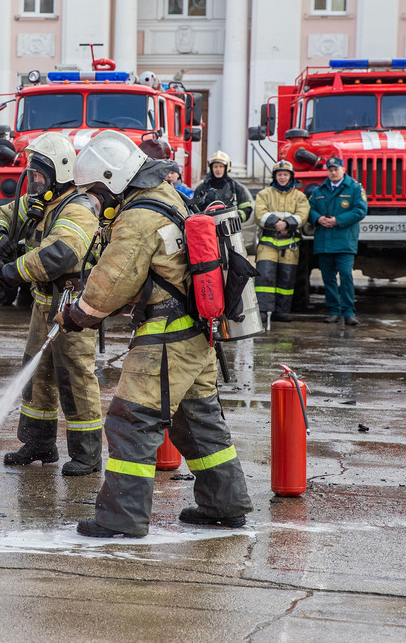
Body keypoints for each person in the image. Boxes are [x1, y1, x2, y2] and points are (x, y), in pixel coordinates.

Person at [59, 130, 253, 537]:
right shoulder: (169, 196)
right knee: (197, 419)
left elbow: (113, 282)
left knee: (131, 421)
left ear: (112, 178)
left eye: (98, 189)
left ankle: (121, 519)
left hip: (166, 338)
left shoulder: (138, 217)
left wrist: (78, 316)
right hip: (198, 335)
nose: (100, 199)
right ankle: (225, 503)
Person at [0, 132, 103, 476]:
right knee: (36, 375)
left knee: (75, 378)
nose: (33, 182)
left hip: (71, 307)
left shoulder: (78, 207)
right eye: (32, 175)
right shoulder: (39, 203)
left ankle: (87, 454)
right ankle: (38, 444)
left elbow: (60, 255)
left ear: (60, 174)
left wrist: (13, 270)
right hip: (42, 304)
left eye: (39, 176)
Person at [308, 155, 367, 325]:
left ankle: (348, 312)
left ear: (343, 170)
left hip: (345, 241)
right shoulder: (319, 191)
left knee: (346, 275)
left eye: (336, 169)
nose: (333, 173)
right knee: (328, 278)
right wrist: (318, 219)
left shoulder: (354, 189)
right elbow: (309, 209)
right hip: (324, 241)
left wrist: (337, 221)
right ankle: (333, 311)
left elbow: (360, 210)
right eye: (330, 170)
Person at [253, 160, 310, 322]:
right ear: (275, 176)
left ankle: (281, 311)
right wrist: (279, 224)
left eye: (285, 175)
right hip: (267, 244)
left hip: (289, 245)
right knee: (264, 277)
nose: (283, 178)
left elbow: (303, 215)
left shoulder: (299, 196)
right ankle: (263, 311)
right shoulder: (265, 194)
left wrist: (287, 224)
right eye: (280, 175)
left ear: (291, 177)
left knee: (287, 279)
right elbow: (259, 214)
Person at [192, 150, 253, 221]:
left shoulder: (237, 188)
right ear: (211, 168)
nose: (218, 169)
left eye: (221, 166)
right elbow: (194, 209)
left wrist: (235, 218)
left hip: (231, 229)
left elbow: (246, 209)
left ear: (226, 168)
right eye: (215, 166)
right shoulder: (202, 188)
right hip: (207, 227)